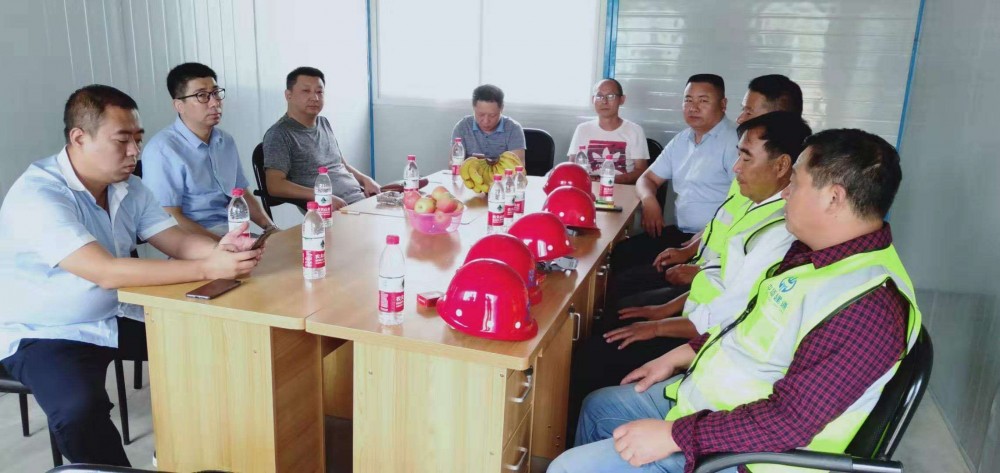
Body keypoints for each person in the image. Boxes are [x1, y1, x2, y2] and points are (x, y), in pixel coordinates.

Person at [549, 128, 920, 473]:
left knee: (567, 468)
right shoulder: (812, 255)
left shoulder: (869, 306)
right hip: (707, 402)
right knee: (599, 408)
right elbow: (749, 324)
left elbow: (790, 421)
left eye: (795, 182)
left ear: (833, 198)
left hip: (744, 458)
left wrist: (674, 436)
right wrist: (680, 355)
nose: (786, 193)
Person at [0, 85, 263, 466]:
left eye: (138, 139)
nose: (134, 151)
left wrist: (222, 250)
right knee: (78, 409)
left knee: (209, 348)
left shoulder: (129, 187)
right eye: (122, 140)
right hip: (46, 330)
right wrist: (209, 267)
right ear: (79, 138)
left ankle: (180, 452)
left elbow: (176, 240)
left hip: (115, 312)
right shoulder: (39, 195)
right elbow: (105, 272)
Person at [568, 112, 811, 442]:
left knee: (594, 357)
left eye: (745, 157)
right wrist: (663, 312)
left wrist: (659, 325)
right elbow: (716, 274)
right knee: (610, 321)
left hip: (707, 344)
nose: (736, 167)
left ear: (781, 165)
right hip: (696, 321)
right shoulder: (753, 204)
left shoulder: (779, 232)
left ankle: (587, 440)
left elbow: (730, 315)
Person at [610, 75, 805, 307]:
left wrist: (668, 309)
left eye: (748, 111)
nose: (740, 118)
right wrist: (651, 202)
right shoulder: (687, 141)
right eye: (688, 100)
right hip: (698, 251)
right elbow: (723, 221)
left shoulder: (765, 185)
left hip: (708, 277)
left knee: (624, 294)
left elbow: (738, 282)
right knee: (621, 260)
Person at [142, 62, 275, 240]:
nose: (214, 103)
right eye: (202, 96)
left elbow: (240, 192)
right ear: (179, 105)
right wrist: (221, 245)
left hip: (233, 234)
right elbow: (169, 216)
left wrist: (271, 229)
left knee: (292, 250)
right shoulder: (163, 149)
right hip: (193, 241)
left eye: (215, 93)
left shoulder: (225, 141)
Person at [263, 67, 380, 210]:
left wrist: (365, 180)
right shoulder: (279, 134)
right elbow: (275, 185)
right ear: (288, 95)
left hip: (361, 200)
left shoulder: (323, 123)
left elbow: (340, 164)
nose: (315, 98)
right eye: (306, 91)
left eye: (319, 92)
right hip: (335, 210)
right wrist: (321, 196)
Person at [567, 78, 649, 184]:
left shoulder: (635, 131)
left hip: (622, 188)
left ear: (622, 99)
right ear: (593, 100)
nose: (604, 101)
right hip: (588, 187)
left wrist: (608, 180)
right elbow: (572, 166)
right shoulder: (582, 129)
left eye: (610, 96)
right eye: (599, 96)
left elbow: (641, 171)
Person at [451, 84, 526, 162]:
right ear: (474, 107)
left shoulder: (513, 129)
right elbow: (453, 163)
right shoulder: (462, 127)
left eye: (492, 115)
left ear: (501, 108)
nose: (486, 121)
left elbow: (517, 165)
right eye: (481, 114)